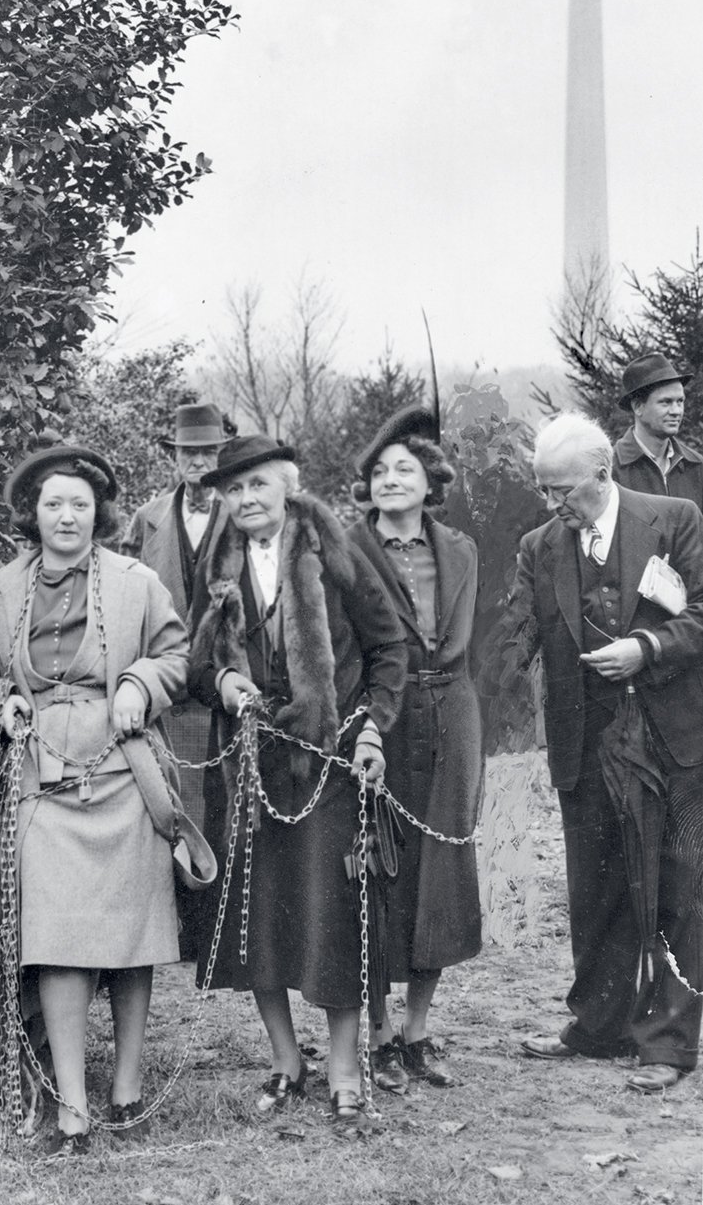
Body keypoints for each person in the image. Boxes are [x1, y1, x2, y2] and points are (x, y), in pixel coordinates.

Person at [188, 434, 406, 1120]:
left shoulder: (334, 551)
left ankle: (343, 1065)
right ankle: (285, 1060)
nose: (246, 499)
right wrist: (224, 680)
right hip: (252, 766)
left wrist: (371, 725)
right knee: (258, 915)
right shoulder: (217, 563)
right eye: (233, 489)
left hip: (328, 761)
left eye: (258, 485)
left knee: (332, 914)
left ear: (287, 485)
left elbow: (389, 649)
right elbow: (195, 665)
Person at [0, 444, 188, 1155]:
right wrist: (0, 703)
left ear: (98, 512)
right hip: (43, 770)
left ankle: (125, 1088)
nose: (66, 516)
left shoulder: (136, 581)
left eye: (78, 504)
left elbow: (174, 655)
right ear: (31, 515)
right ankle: (72, 1105)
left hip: (124, 763)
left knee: (129, 937)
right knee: (58, 939)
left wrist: (137, 683)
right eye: (51, 504)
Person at [511, 413, 703, 1091]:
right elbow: (518, 634)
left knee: (679, 886)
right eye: (540, 489)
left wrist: (645, 647)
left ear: (600, 473)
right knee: (595, 887)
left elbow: (700, 611)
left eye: (559, 488)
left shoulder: (674, 517)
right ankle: (598, 1026)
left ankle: (666, 1046)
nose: (549, 502)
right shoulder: (540, 544)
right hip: (584, 740)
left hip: (670, 739)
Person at [348, 406, 482, 1091]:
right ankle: (374, 1036)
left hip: (451, 717)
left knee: (441, 872)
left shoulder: (460, 549)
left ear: (431, 481)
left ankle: (418, 1033)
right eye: (378, 471)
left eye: (404, 468)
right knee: (376, 868)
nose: (389, 479)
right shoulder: (346, 551)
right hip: (380, 721)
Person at [120, 404, 229, 833]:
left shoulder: (241, 516)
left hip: (221, 695)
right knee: (170, 813)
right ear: (174, 457)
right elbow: (127, 605)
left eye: (207, 452)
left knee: (220, 819)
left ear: (220, 455)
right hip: (167, 699)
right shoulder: (147, 520)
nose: (198, 462)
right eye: (188, 453)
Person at [611, 353, 703, 511]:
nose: (676, 411)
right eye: (666, 402)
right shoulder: (612, 468)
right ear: (638, 407)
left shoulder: (697, 465)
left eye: (680, 401)